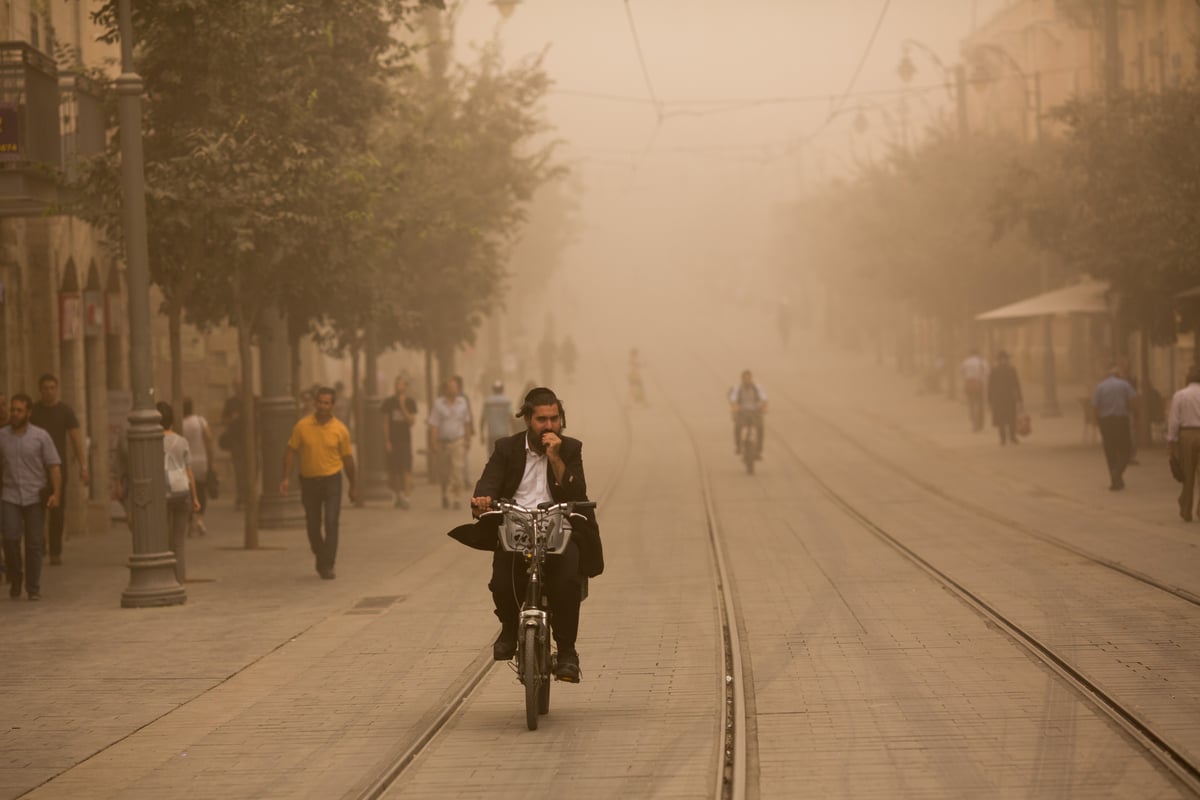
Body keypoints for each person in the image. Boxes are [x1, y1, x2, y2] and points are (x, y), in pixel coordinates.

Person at [462, 386, 603, 682]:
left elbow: (577, 492)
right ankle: (510, 631)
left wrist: (555, 458)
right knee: (502, 581)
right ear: (527, 419)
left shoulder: (570, 448)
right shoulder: (506, 448)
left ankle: (567, 652)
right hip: (518, 528)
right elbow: (489, 482)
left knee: (566, 583)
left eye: (554, 419)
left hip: (559, 529)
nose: (549, 426)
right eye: (542, 419)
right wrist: (483, 500)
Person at [280, 386, 358, 579]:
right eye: (320, 402)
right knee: (313, 524)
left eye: (327, 403)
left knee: (331, 522)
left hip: (332, 480)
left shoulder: (340, 430)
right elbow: (291, 451)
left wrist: (354, 485)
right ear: (315, 403)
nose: (323, 406)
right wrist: (286, 477)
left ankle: (328, 564)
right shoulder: (302, 426)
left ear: (332, 405)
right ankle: (321, 554)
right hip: (308, 481)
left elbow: (348, 459)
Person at [0, 393, 62, 600]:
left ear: (28, 412)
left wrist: (56, 493)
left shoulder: (41, 436)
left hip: (35, 496)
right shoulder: (2, 436)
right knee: (10, 539)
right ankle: (15, 577)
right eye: (13, 410)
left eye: (19, 410)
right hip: (10, 495)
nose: (15, 414)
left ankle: (33, 587)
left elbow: (54, 466)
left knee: (34, 543)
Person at [30, 374, 88, 566]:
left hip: (58, 469)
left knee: (56, 510)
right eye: (45, 388)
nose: (49, 391)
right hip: (35, 469)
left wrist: (83, 466)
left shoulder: (65, 411)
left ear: (57, 389)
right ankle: (41, 545)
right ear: (40, 390)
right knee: (37, 509)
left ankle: (55, 551)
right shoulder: (34, 412)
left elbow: (76, 439)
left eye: (52, 387)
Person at [158, 401, 200, 583]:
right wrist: (195, 497)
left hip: (161, 494)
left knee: (163, 540)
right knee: (179, 542)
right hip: (182, 492)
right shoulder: (181, 442)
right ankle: (180, 579)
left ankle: (166, 577)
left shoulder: (151, 441)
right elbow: (189, 471)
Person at [428, 377, 472, 510]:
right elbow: (434, 424)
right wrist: (433, 441)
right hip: (443, 442)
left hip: (457, 441)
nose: (453, 390)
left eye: (455, 387)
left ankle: (457, 498)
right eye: (450, 387)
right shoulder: (438, 404)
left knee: (458, 470)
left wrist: (468, 439)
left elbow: (466, 422)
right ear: (446, 390)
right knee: (444, 472)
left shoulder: (462, 403)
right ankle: (445, 494)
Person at [1092, 364, 1137, 490]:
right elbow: (1133, 401)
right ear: (1118, 375)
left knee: (1110, 450)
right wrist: (1132, 414)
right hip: (1121, 420)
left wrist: (1098, 422)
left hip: (1106, 421)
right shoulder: (1125, 385)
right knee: (1126, 449)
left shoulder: (1100, 387)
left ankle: (1115, 480)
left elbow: (1095, 406)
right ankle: (1118, 473)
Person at [1167, 365, 1200, 521]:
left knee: (1188, 474)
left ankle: (1186, 509)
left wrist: (1171, 442)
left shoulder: (1180, 395)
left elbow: (1174, 420)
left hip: (1187, 434)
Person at [381, 376, 417, 509]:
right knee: (394, 470)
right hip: (393, 440)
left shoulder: (410, 402)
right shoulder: (388, 402)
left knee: (406, 469)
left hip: (405, 440)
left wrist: (402, 406)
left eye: (401, 384)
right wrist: (387, 441)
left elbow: (411, 422)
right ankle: (398, 495)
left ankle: (406, 496)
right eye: (397, 384)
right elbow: (385, 423)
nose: (398, 387)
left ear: (405, 387)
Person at [181, 397, 215, 536]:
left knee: (188, 492)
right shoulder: (200, 421)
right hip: (201, 461)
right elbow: (209, 438)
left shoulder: (181, 424)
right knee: (201, 490)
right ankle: (200, 518)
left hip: (187, 463)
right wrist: (211, 460)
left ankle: (190, 522)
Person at [221, 376, 248, 509]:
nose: (238, 388)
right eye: (235, 386)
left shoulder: (252, 399)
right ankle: (242, 496)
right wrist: (232, 419)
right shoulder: (230, 402)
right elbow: (224, 420)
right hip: (236, 441)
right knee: (239, 469)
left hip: (251, 441)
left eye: (240, 385)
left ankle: (248, 494)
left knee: (254, 468)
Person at [729, 369, 768, 458]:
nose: (747, 381)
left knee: (760, 428)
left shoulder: (757, 387)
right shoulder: (737, 388)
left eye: (748, 379)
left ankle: (759, 450)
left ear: (751, 379)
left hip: (755, 411)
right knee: (738, 426)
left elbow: (764, 399)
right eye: (745, 379)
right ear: (742, 379)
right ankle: (738, 446)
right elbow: (733, 400)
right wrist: (735, 409)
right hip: (742, 412)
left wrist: (764, 408)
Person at [987, 351, 1023, 446]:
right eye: (1002, 359)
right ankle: (1003, 438)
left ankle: (1012, 436)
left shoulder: (1011, 370)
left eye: (1005, 359)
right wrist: (990, 399)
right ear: (999, 360)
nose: (1004, 361)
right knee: (1001, 419)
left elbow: (1016, 384)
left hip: (1009, 398)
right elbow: (991, 386)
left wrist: (1019, 398)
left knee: (1011, 418)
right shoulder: (995, 371)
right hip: (999, 399)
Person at [960, 348, 990, 432]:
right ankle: (979, 423)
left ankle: (973, 420)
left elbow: (961, 371)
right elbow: (987, 372)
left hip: (968, 383)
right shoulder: (982, 361)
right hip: (979, 383)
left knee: (971, 403)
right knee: (979, 403)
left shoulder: (966, 361)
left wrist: (967, 376)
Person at [480, 380, 513, 452]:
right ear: (502, 389)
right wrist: (514, 431)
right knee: (504, 455)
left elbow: (483, 419)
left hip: (492, 434)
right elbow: (511, 417)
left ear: (493, 389)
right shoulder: (507, 401)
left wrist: (481, 433)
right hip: (504, 434)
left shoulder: (488, 402)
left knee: (492, 455)